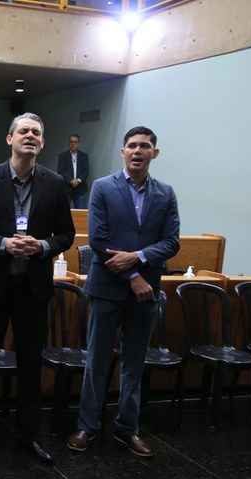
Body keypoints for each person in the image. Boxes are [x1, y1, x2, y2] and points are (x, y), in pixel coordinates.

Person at [0, 113, 75, 464]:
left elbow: (66, 234)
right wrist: (2, 244)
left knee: (30, 366)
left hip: (32, 289)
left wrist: (42, 246)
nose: (30, 136)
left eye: (36, 132)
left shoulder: (55, 183)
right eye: (23, 131)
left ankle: (28, 435)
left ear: (42, 142)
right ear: (10, 139)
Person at [67, 126, 179, 458]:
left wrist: (138, 257)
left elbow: (171, 242)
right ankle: (87, 426)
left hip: (145, 292)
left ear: (154, 153)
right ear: (123, 151)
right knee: (97, 360)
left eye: (144, 146)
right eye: (131, 145)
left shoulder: (166, 193)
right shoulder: (103, 187)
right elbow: (98, 239)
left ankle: (127, 428)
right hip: (107, 288)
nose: (137, 151)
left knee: (134, 363)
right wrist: (132, 275)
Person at [56, 134, 90, 209]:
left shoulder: (84, 156)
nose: (73, 144)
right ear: (69, 143)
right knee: (64, 210)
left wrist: (78, 180)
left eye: (75, 142)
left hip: (80, 188)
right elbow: (61, 170)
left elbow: (86, 170)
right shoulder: (63, 156)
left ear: (79, 143)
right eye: (71, 142)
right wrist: (71, 180)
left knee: (79, 211)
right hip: (67, 187)